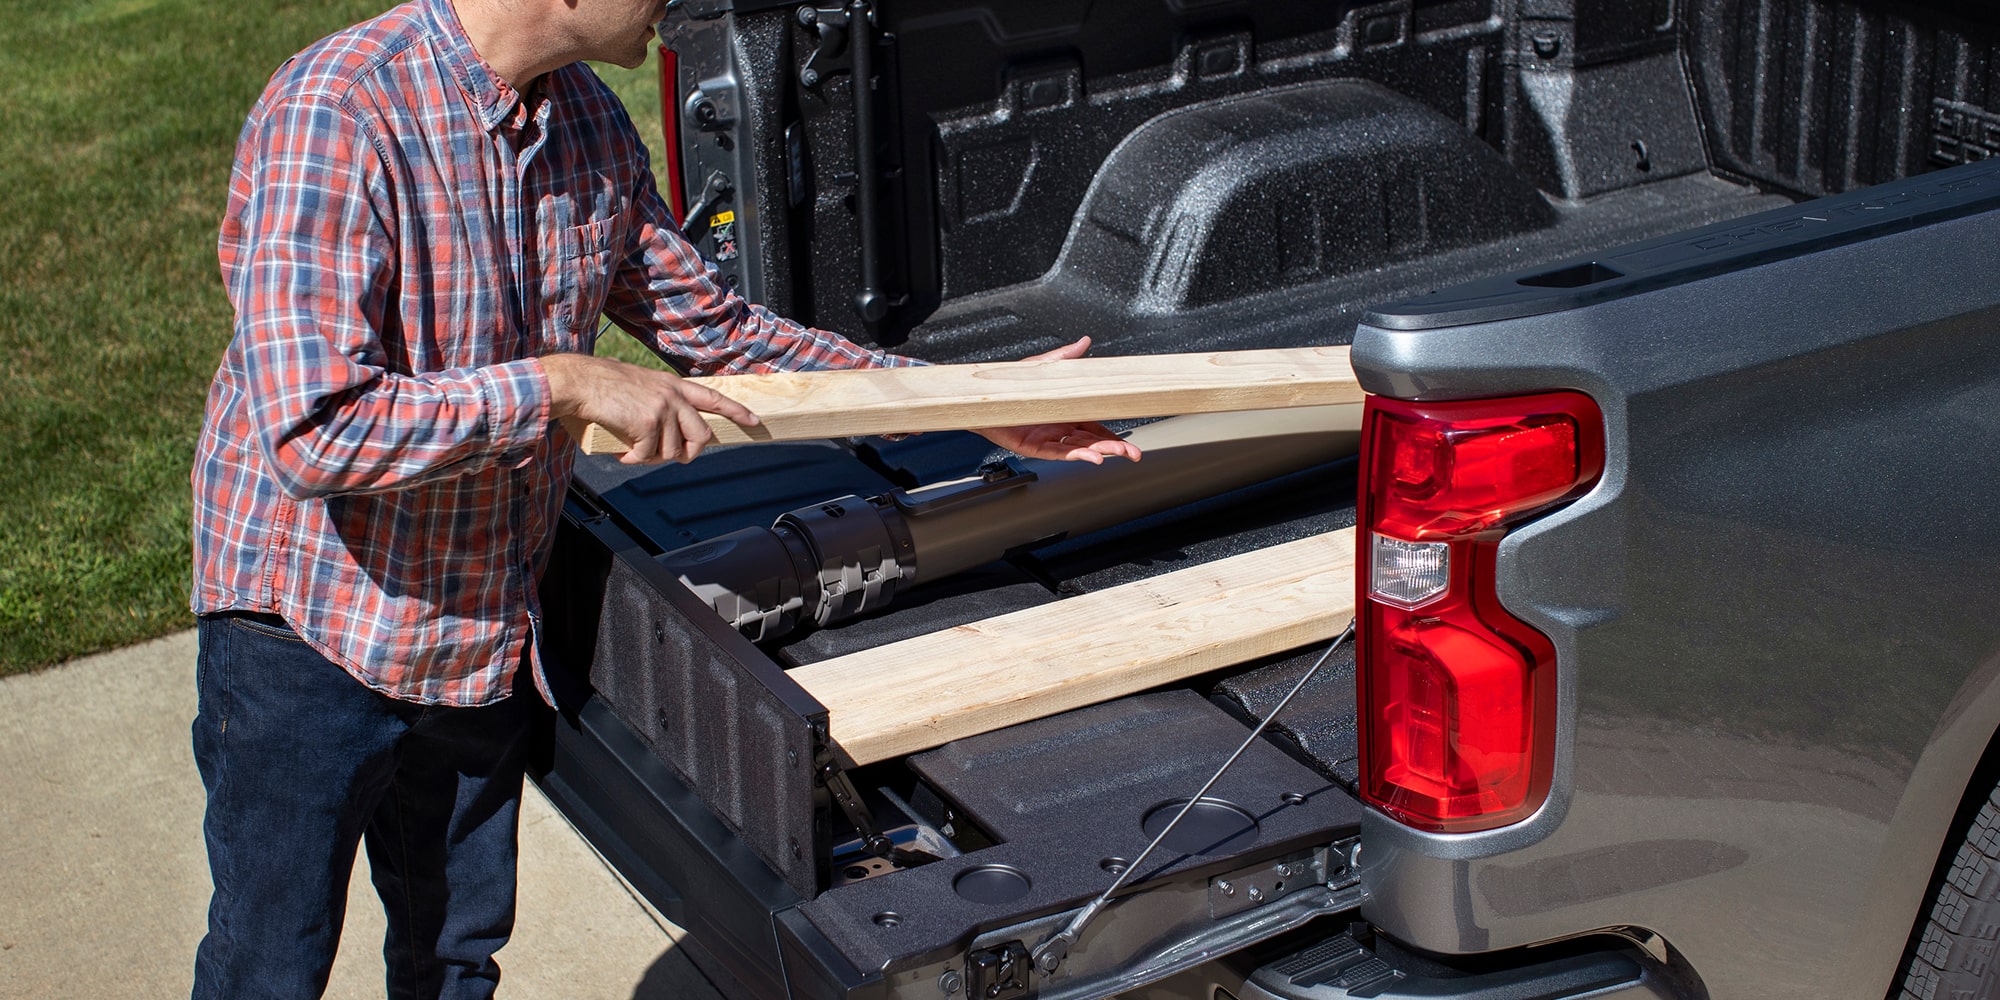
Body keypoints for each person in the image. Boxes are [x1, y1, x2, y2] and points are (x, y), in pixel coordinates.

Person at [188, 0, 1140, 995]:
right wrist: (558, 385)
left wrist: (962, 403)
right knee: (269, 961)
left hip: (473, 631)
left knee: (453, 955)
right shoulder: (339, 110)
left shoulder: (586, 122)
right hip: (306, 631)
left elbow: (725, 337)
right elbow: (313, 428)